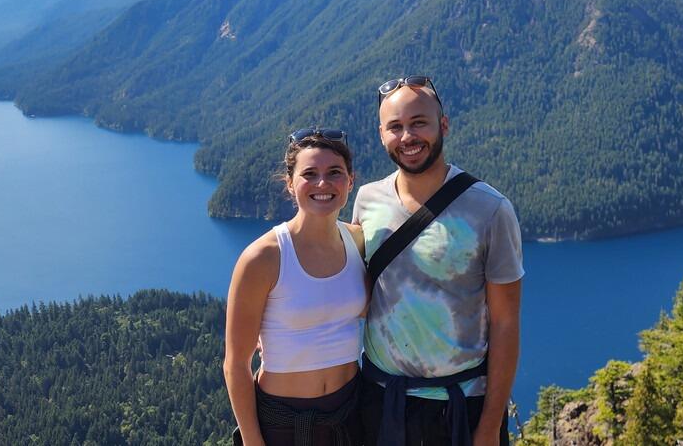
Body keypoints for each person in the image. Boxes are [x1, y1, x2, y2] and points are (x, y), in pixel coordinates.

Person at [353, 76, 524, 446]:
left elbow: (506, 325)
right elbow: (355, 293)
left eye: (419, 123)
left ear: (443, 125)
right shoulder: (367, 201)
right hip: (379, 401)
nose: (408, 137)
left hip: (459, 409)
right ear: (381, 134)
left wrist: (490, 426)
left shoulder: (490, 209)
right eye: (395, 127)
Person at [224, 128, 368, 445]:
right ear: (290, 183)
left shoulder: (357, 241)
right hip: (283, 425)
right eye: (309, 174)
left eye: (334, 172)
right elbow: (236, 363)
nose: (323, 184)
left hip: (351, 414)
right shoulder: (263, 257)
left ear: (350, 180)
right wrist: (251, 440)